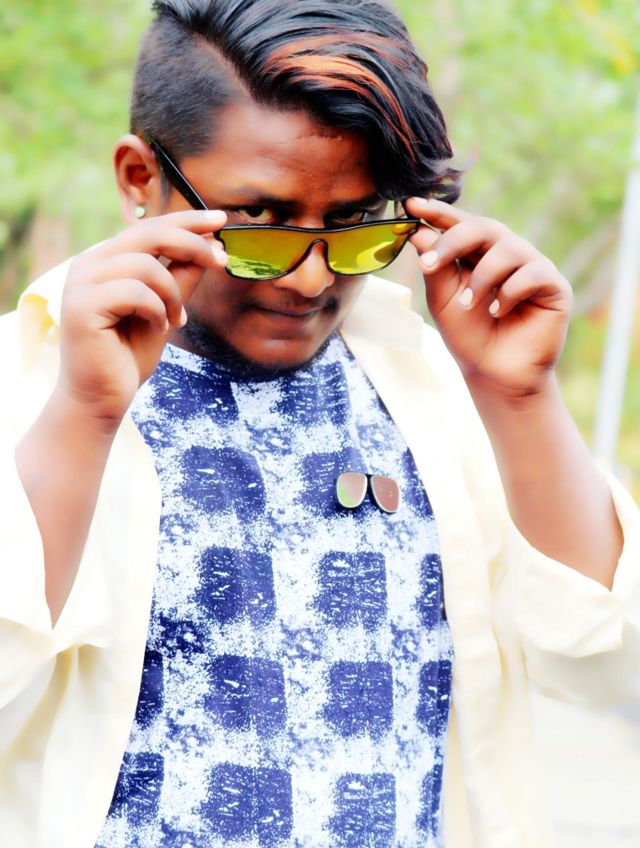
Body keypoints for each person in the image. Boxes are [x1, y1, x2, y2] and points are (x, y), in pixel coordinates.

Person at [1, 0, 639, 846]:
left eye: (352, 225)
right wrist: (84, 416)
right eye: (260, 222)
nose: (308, 279)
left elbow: (610, 670)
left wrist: (522, 401)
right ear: (138, 179)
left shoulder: (436, 393)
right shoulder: (27, 386)